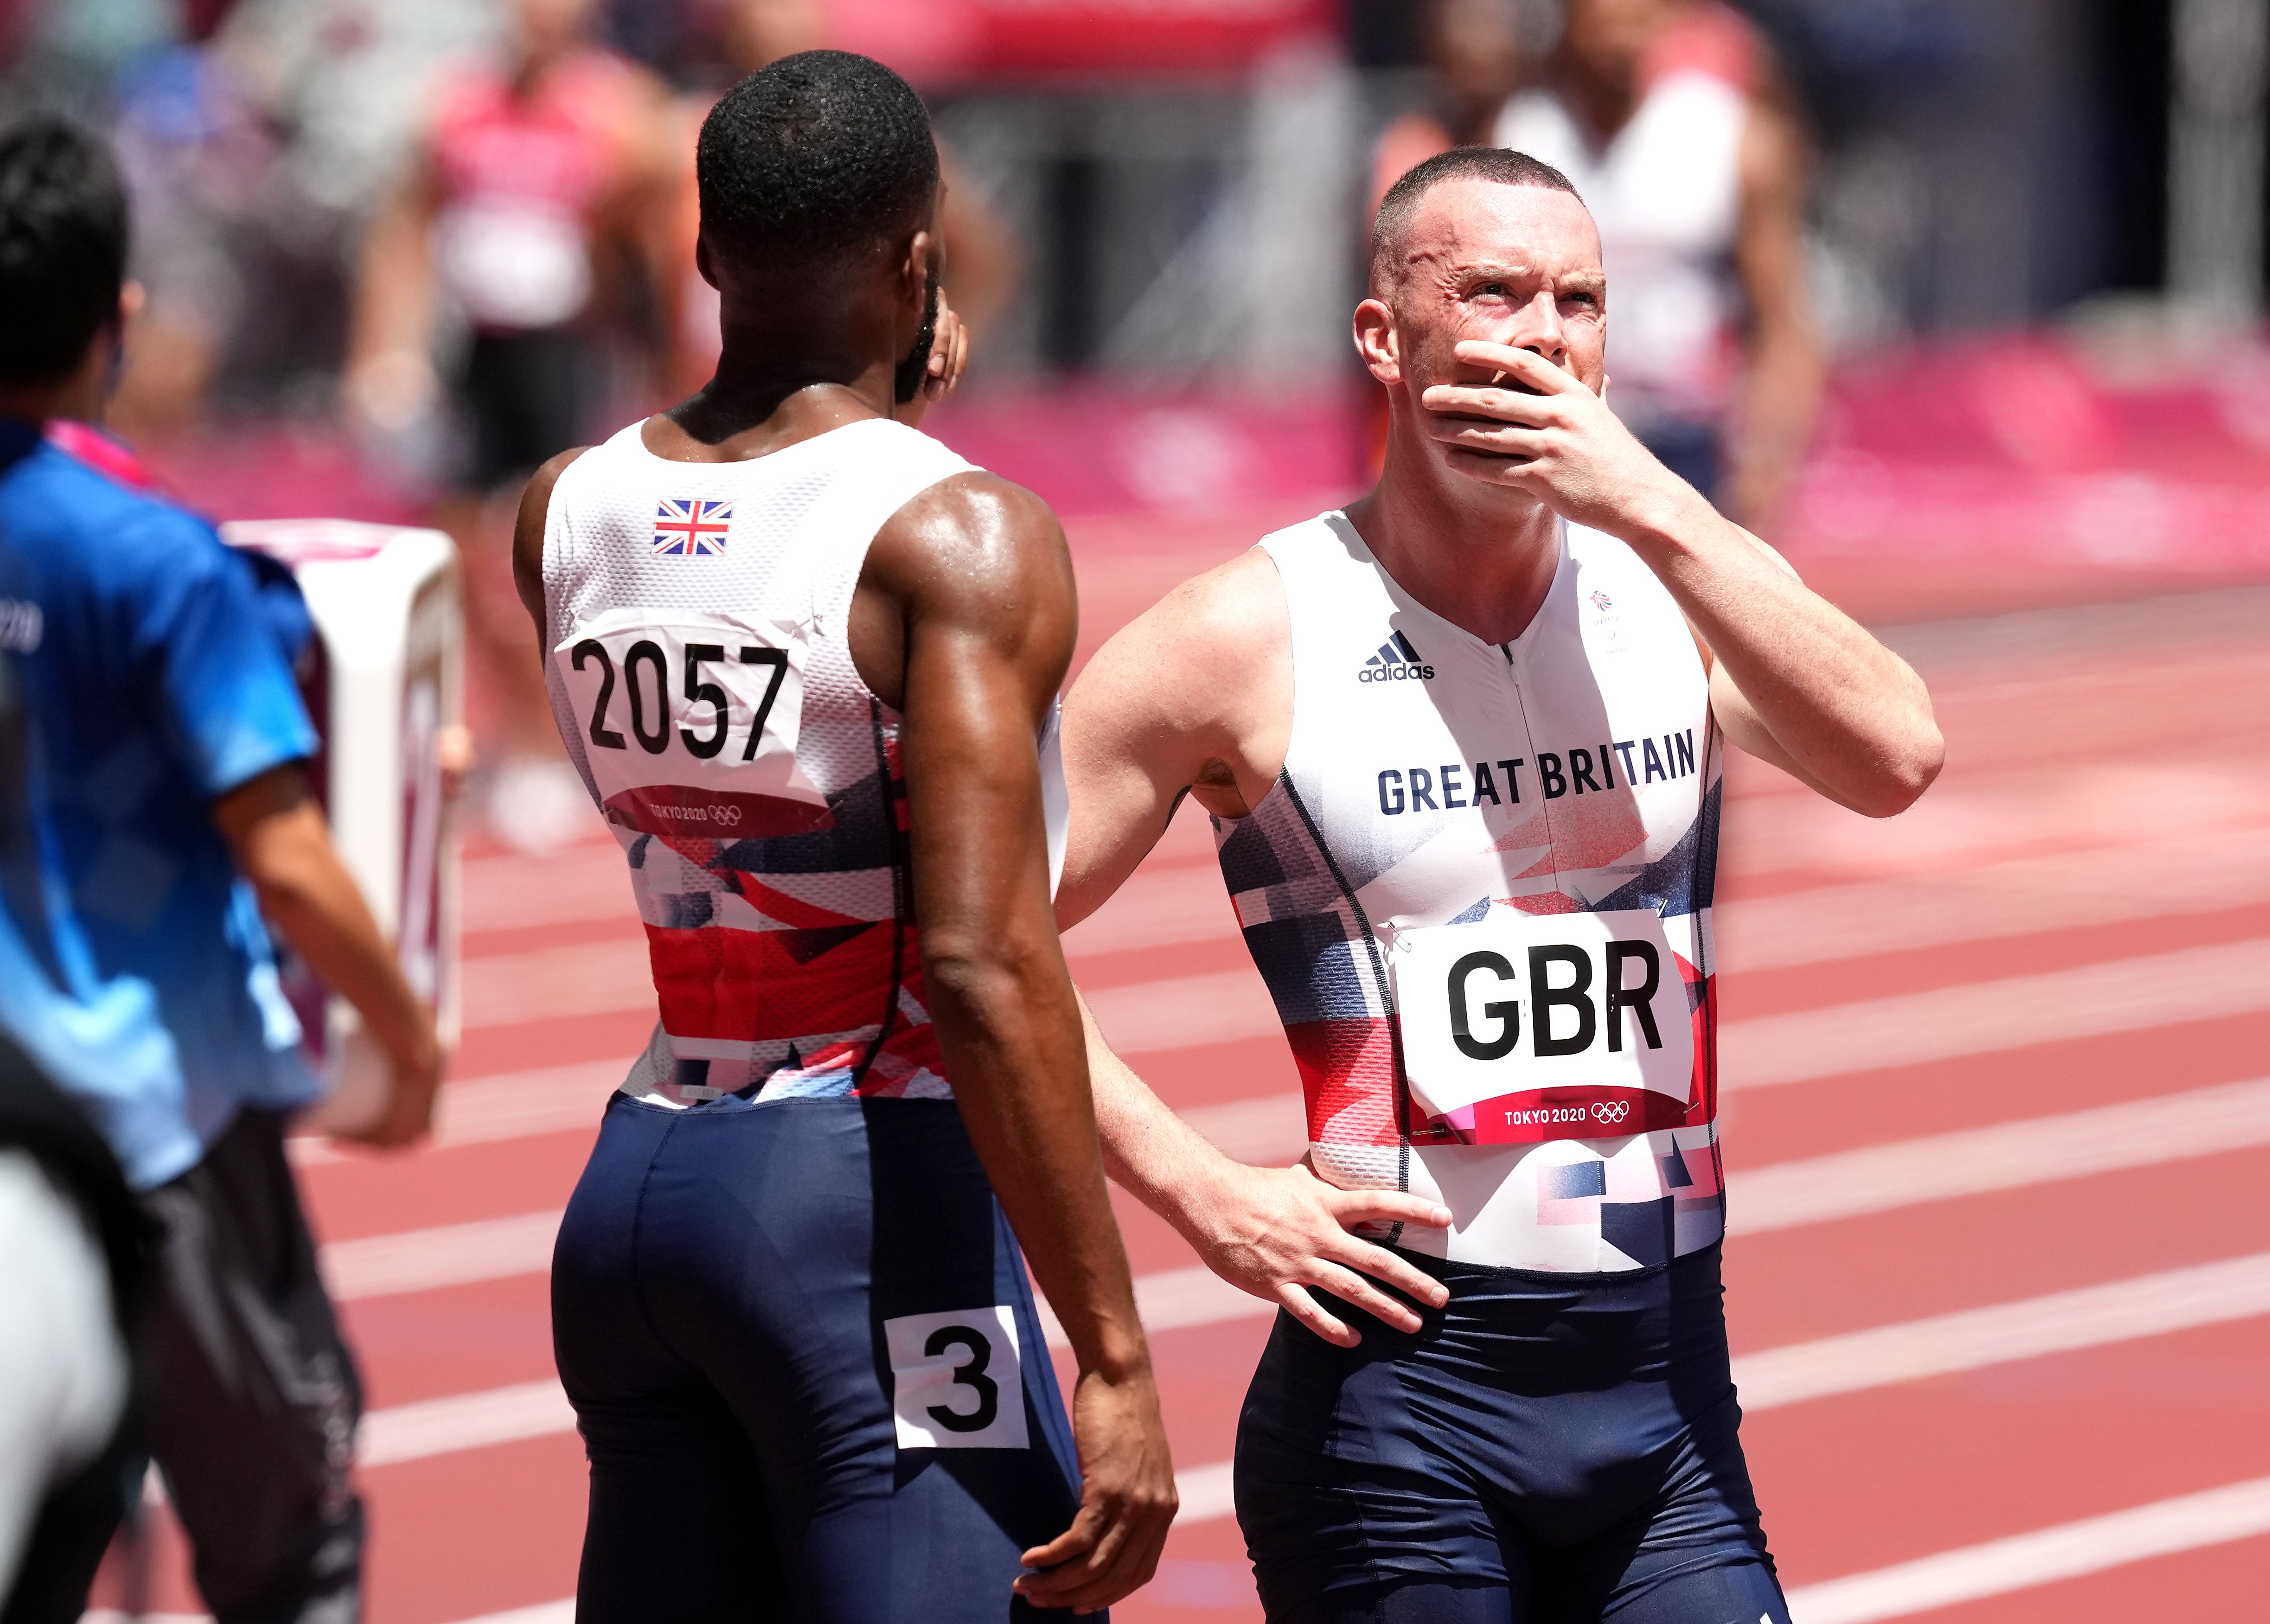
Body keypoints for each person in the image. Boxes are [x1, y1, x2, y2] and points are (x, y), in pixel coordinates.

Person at [1057, 147, 1943, 1622]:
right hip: (1402, 1398)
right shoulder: (1244, 634)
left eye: (1578, 301)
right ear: (1380, 337)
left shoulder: (1675, 584)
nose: (1542, 333)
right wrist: (1200, 1191)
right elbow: (967, 939)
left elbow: (1896, 753)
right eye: (1490, 292)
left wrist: (1655, 505)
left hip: (1662, 1390)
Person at [514, 51, 1175, 1621]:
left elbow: (744, 593)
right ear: (921, 264)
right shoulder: (957, 534)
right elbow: (979, 960)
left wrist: (879, 423)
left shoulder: (560, 507)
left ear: (700, 255)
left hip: (640, 1197)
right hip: (864, 1205)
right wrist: (1116, 1352)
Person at [0, 115, 444, 1624]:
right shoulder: (154, 562)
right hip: (155, 1130)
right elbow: (292, 858)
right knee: (290, 1553)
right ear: (117, 317)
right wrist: (408, 1037)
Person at [348, 0, 681, 850]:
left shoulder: (621, 112)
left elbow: (656, 249)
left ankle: (559, 740)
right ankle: (526, 730)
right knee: (457, 554)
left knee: (552, 563)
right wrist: (384, 351)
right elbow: (405, 229)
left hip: (566, 358)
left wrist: (665, 373)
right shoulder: (458, 104)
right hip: (480, 356)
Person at [1494, 0, 1821, 529]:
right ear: (1569, 23)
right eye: (1605, 23)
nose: (1621, 43)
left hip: (1689, 437)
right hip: (1561, 423)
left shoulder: (1729, 137)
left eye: (1640, 22)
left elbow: (1781, 315)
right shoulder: (1515, 136)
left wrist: (1766, 458)